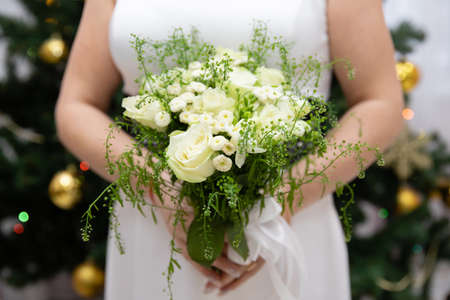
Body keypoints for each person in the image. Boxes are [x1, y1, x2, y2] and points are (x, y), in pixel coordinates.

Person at [54, 0, 404, 299]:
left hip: (288, 222)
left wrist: (281, 199)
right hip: (155, 225)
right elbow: (75, 106)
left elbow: (380, 102)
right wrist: (158, 186)